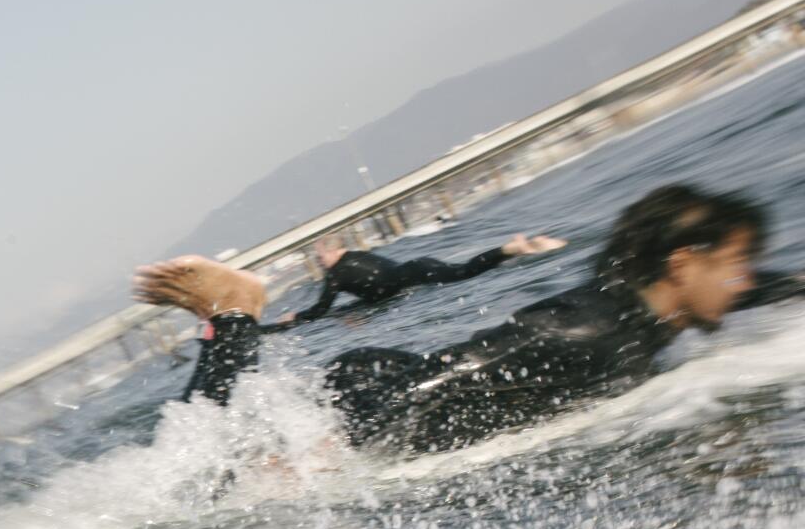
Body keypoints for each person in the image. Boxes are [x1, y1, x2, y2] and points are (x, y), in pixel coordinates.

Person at [133, 185, 780, 453]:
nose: (745, 278)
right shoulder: (597, 330)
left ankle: (232, 317)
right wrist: (328, 454)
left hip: (382, 378)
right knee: (207, 466)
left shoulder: (636, 309)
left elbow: (744, 294)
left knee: (211, 447)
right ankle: (234, 312)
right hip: (377, 398)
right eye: (738, 262)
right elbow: (442, 385)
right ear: (681, 264)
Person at [267, 231, 569, 329]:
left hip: (416, 275)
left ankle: (511, 249)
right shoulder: (355, 255)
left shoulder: (336, 274)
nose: (318, 260)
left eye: (319, 255)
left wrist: (292, 317)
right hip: (416, 268)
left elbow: (320, 310)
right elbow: (372, 291)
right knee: (464, 270)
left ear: (331, 253)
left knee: (465, 273)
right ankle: (520, 249)